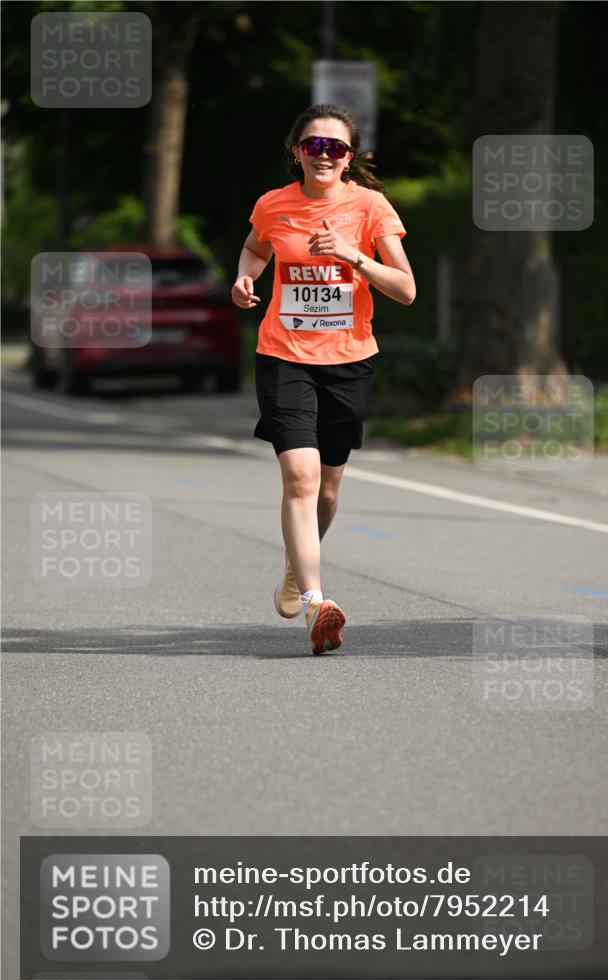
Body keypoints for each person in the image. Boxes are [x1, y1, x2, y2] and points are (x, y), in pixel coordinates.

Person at [232, 103, 415, 655]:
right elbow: (254, 248)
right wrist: (244, 278)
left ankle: (295, 567)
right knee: (301, 479)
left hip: (348, 358)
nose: (324, 155)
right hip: (284, 353)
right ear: (297, 152)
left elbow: (404, 289)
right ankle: (316, 602)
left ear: (349, 157)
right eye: (314, 145)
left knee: (328, 489)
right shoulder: (274, 205)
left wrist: (352, 255)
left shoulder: (370, 207)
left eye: (336, 147)